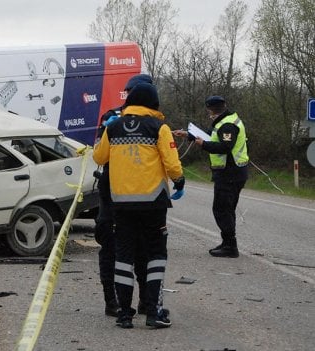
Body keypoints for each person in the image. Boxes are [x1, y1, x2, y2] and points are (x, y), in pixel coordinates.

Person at [93, 82, 185, 329]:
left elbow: (99, 158)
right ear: (154, 103)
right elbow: (172, 163)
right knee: (155, 255)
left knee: (123, 257)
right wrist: (179, 181)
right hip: (153, 204)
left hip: (121, 204)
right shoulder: (159, 127)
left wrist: (107, 134)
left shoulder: (114, 127)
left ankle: (124, 314)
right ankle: (153, 312)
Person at [93, 74, 155, 317]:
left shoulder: (155, 121)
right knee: (112, 246)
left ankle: (143, 300)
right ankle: (113, 299)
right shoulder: (112, 118)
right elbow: (99, 154)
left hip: (141, 196)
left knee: (143, 249)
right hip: (116, 195)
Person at [172, 96, 248, 258]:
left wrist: (203, 145)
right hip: (232, 172)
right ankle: (228, 242)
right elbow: (211, 135)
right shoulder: (225, 121)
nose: (209, 114)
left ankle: (230, 246)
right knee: (227, 209)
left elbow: (225, 146)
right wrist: (188, 135)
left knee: (222, 209)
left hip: (230, 173)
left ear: (212, 110)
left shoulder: (227, 125)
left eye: (209, 111)